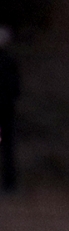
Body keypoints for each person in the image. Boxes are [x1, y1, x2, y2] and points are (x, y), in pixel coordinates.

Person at [0, 26, 20, 193]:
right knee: (7, 148)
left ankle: (9, 184)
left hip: (5, 109)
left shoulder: (9, 62)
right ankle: (9, 184)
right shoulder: (11, 61)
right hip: (7, 110)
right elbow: (16, 88)